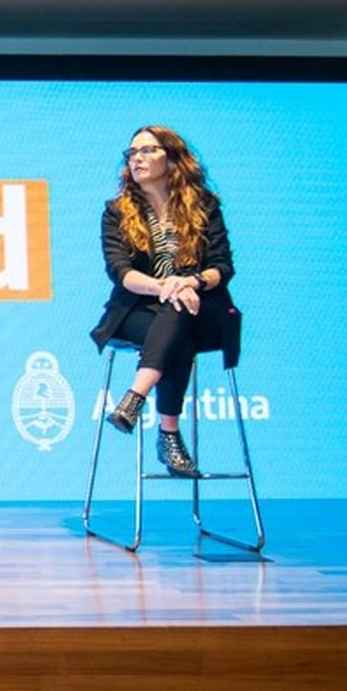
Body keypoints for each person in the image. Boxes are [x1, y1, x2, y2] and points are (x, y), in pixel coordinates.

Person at [90, 125, 237, 478]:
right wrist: (166, 287)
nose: (137, 159)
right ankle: (168, 434)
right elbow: (121, 273)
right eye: (132, 153)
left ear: (171, 159)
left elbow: (222, 266)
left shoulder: (204, 207)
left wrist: (190, 281)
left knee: (180, 312)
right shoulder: (117, 212)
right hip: (138, 310)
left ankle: (135, 398)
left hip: (203, 310)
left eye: (147, 151)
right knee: (176, 323)